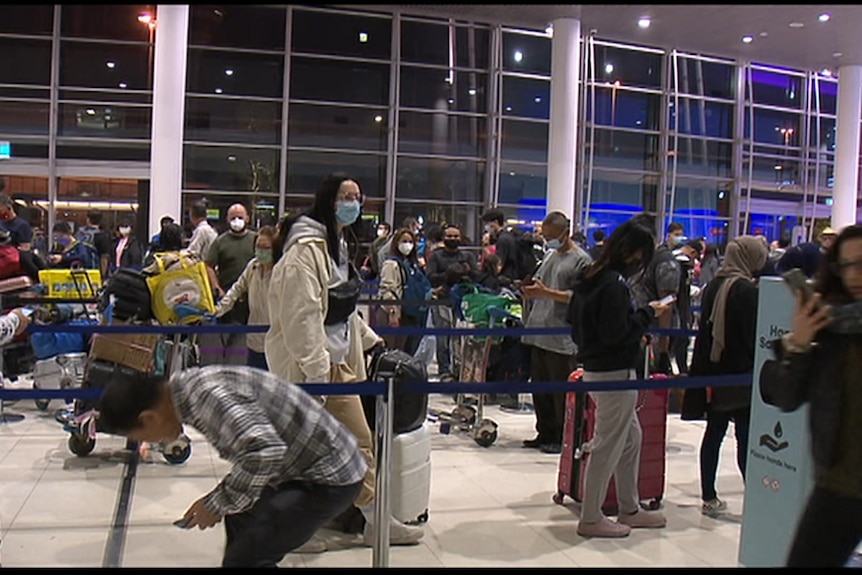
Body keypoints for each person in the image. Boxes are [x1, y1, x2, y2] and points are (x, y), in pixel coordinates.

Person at [266, 172, 424, 551]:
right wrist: (317, 375)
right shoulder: (303, 253)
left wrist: (369, 340)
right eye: (346, 196)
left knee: (354, 444)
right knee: (311, 449)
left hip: (337, 364)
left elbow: (341, 307)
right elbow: (301, 316)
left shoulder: (333, 246)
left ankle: (372, 521)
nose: (354, 202)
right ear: (328, 200)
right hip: (313, 370)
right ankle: (290, 530)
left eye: (357, 195)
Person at [94, 365, 367, 568]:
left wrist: (215, 503)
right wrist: (222, 502)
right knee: (240, 518)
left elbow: (263, 451)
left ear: (149, 418)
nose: (148, 443)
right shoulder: (188, 387)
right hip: (301, 467)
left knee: (247, 558)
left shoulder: (207, 399)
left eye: (140, 437)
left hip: (328, 475)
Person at [760, 224, 862, 567]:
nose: (855, 275)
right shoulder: (830, 328)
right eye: (847, 265)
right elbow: (785, 396)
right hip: (841, 484)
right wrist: (799, 344)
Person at [568, 216, 671, 538]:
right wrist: (647, 314)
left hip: (597, 369)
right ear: (633, 253)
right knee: (607, 444)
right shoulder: (613, 284)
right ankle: (591, 517)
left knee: (630, 439)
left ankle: (630, 506)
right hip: (613, 372)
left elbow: (579, 322)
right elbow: (617, 332)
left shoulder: (591, 276)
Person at [684, 236, 767, 517]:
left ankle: (709, 496)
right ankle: (756, 498)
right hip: (741, 372)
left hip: (715, 372)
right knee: (745, 437)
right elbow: (753, 334)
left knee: (714, 434)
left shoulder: (715, 283)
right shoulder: (747, 289)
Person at [520, 211, 591, 454]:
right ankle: (545, 431)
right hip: (538, 331)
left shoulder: (582, 261)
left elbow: (581, 299)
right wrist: (530, 291)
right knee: (540, 389)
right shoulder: (550, 256)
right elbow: (540, 285)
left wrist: (547, 293)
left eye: (551, 236)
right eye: (545, 236)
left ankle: (563, 435)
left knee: (561, 391)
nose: (547, 240)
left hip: (561, 338)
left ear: (565, 232)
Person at [214, 226, 275, 370]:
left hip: (275, 342)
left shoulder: (281, 271)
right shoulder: (253, 267)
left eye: (265, 247)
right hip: (254, 340)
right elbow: (237, 289)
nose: (261, 250)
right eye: (258, 246)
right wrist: (218, 309)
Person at [204, 204, 257, 366]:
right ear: (227, 220)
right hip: (227, 298)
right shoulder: (220, 242)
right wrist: (217, 288)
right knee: (226, 340)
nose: (237, 220)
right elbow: (208, 265)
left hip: (251, 301)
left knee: (250, 340)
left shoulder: (255, 239)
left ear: (247, 218)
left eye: (240, 216)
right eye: (233, 217)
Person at [426, 224, 478, 383]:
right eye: (449, 236)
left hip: (463, 301)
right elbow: (430, 276)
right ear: (443, 238)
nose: (453, 239)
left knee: (462, 339)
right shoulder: (436, 256)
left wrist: (466, 272)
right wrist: (448, 274)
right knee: (443, 338)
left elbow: (476, 275)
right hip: (442, 299)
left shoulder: (467, 256)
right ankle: (444, 371)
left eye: (456, 236)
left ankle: (460, 370)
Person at [632, 222, 685, 374]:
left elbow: (667, 302)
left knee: (654, 382)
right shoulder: (642, 260)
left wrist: (663, 345)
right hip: (641, 329)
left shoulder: (664, 261)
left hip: (655, 333)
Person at [378, 227, 427, 356]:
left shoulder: (413, 264)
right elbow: (387, 289)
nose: (407, 245)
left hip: (411, 313)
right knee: (393, 351)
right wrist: (393, 312)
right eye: (404, 241)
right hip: (397, 314)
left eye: (410, 241)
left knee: (407, 351)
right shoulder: (391, 264)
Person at [0, 193, 40, 281]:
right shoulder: (0, 223)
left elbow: (25, 248)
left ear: (8, 207)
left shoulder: (22, 225)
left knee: (25, 257)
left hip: (14, 257)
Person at [482, 208, 523, 283]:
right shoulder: (508, 236)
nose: (486, 227)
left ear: (495, 222)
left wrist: (486, 247)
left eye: (487, 223)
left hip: (505, 280)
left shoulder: (502, 240)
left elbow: (496, 266)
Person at [75, 210, 112, 277]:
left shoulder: (79, 233)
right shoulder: (102, 236)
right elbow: (104, 258)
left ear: (88, 219)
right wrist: (102, 275)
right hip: (94, 272)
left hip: (78, 270)